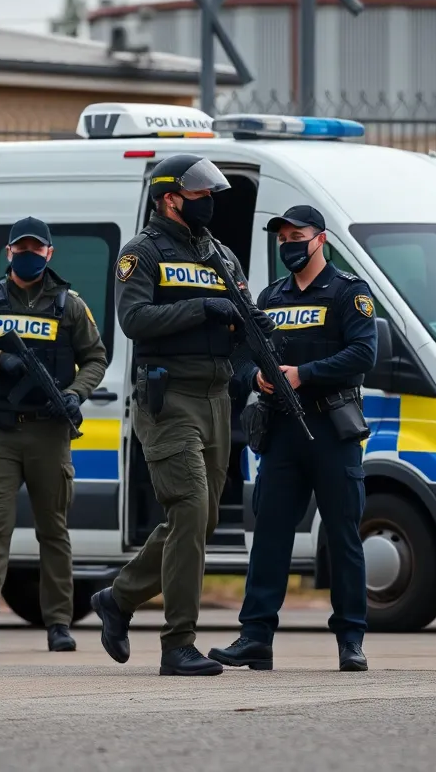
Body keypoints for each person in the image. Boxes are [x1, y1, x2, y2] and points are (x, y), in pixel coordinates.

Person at [89, 154, 274, 677]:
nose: (208, 203)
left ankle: (118, 599)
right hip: (168, 399)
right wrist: (202, 308)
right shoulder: (141, 253)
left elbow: (241, 321)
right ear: (171, 198)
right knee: (191, 510)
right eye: (198, 195)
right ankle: (178, 644)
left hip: (217, 399)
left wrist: (252, 339)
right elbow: (133, 319)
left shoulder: (221, 255)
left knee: (200, 519)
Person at [208, 204, 378, 673]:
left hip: (331, 428)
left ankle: (350, 640)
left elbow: (364, 353)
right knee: (270, 538)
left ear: (320, 239)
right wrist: (256, 380)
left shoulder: (349, 293)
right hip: (282, 429)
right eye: (282, 238)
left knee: (343, 536)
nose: (289, 244)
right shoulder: (271, 297)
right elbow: (241, 357)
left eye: (296, 235)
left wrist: (303, 374)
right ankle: (255, 637)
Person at [0, 217, 109, 654]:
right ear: (9, 252)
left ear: (50, 253)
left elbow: (96, 358)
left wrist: (75, 394)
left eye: (37, 249)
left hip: (49, 432)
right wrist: (0, 362)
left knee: (53, 530)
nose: (29, 254)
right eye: (22, 248)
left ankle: (59, 623)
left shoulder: (69, 305)